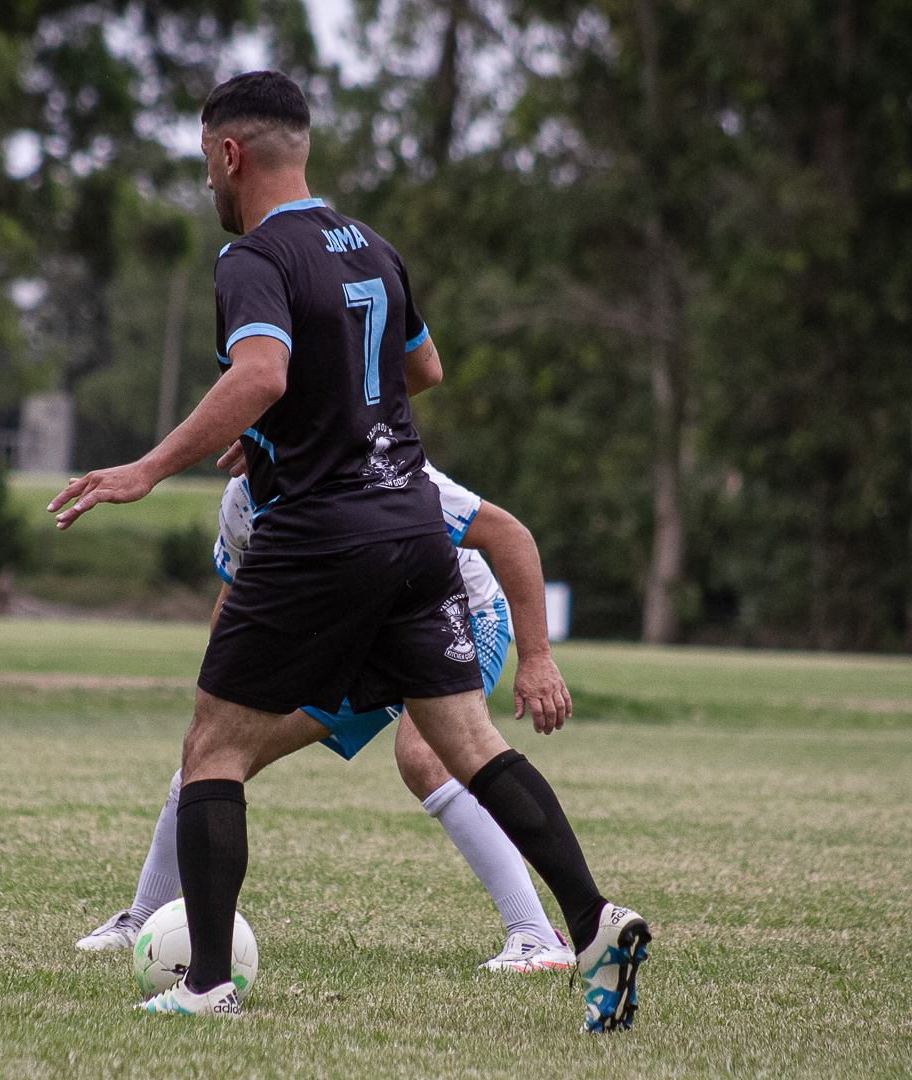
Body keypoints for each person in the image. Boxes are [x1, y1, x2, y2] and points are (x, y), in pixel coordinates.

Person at [49, 71, 649, 1031]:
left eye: (205, 161)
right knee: (470, 745)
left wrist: (149, 468)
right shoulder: (371, 245)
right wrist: (313, 415)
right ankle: (593, 920)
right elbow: (422, 368)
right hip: (412, 524)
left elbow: (261, 373)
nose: (206, 180)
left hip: (321, 535)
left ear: (230, 155)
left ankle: (207, 985)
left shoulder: (252, 256)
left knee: (213, 749)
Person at [77, 462, 577, 973]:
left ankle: (537, 935)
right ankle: (143, 917)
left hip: (458, 613)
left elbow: (509, 535)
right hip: (348, 633)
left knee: (424, 757)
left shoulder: (373, 460)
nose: (228, 438)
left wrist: (536, 657)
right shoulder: (241, 500)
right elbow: (231, 602)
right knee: (213, 751)